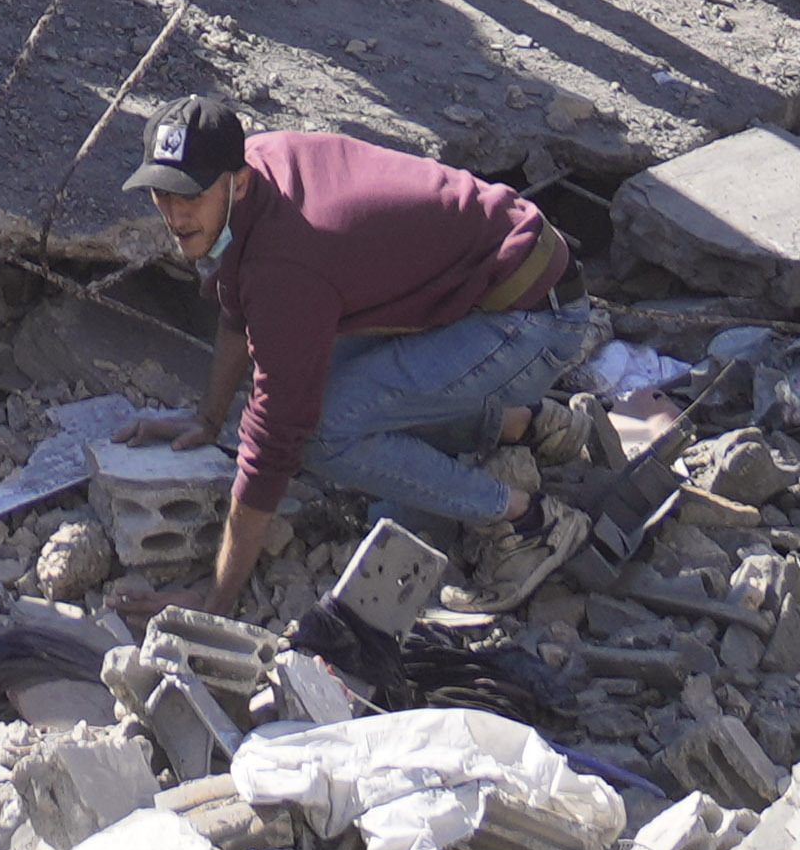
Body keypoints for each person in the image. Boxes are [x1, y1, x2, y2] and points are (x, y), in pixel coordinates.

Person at [146, 102, 588, 603]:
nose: (175, 215)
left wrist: (217, 599)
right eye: (162, 193)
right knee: (315, 382)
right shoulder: (256, 168)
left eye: (191, 195)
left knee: (320, 434)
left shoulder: (286, 263)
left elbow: (274, 442)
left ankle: (528, 522)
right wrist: (208, 419)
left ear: (238, 183)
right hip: (486, 288)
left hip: (535, 320)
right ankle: (524, 425)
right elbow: (238, 306)